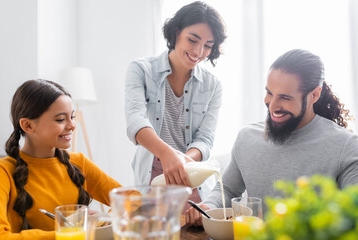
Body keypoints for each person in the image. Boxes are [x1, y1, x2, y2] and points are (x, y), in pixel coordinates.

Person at [185, 49, 358, 226]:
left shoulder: (346, 147)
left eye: (285, 97)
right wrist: (208, 206)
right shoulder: (247, 137)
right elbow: (228, 190)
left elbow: (352, 217)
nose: (272, 106)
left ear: (314, 95)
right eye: (269, 93)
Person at [0, 80, 135, 239]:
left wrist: (105, 220)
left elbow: (132, 197)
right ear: (27, 126)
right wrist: (67, 234)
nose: (72, 125)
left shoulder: (78, 162)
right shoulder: (3, 172)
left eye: (72, 116)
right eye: (60, 119)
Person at [125, 1, 227, 204]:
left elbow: (205, 139)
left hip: (191, 176)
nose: (199, 52)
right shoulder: (141, 70)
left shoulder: (213, 85)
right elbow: (135, 121)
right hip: (153, 176)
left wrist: (183, 162)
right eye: (193, 40)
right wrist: (167, 155)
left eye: (208, 45)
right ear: (177, 31)